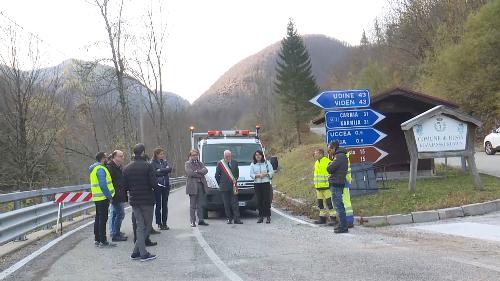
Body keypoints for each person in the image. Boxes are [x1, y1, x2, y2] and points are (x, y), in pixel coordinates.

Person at [123, 143, 157, 262]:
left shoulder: (127, 168)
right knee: (146, 227)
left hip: (134, 200)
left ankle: (135, 252)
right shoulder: (148, 166)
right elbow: (154, 184)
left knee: (139, 226)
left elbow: (125, 186)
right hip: (147, 200)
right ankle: (143, 254)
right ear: (143, 152)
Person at [89, 152, 116, 248]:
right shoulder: (100, 169)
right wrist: (110, 196)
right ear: (102, 158)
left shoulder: (94, 168)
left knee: (98, 218)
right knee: (102, 219)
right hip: (103, 197)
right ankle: (103, 241)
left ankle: (97, 239)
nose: (107, 159)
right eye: (106, 157)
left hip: (97, 197)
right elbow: (103, 185)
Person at [327, 141, 349, 234]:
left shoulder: (339, 156)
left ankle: (343, 227)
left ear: (334, 148)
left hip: (336, 183)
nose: (329, 151)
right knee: (339, 205)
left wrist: (329, 164)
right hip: (339, 182)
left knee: (338, 206)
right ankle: (342, 225)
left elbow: (330, 169)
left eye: (329, 149)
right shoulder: (341, 156)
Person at [215, 150, 243, 225]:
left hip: (233, 186)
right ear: (224, 156)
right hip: (224, 187)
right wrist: (220, 184)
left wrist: (235, 181)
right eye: (226, 156)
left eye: (229, 156)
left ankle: (237, 219)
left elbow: (237, 174)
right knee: (226, 204)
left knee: (235, 203)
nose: (227, 157)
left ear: (231, 155)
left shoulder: (235, 162)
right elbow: (217, 175)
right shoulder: (220, 163)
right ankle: (229, 219)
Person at [107, 150, 128, 242]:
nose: (122, 158)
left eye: (122, 156)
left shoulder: (119, 167)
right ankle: (115, 234)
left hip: (120, 193)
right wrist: (111, 195)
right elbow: (110, 182)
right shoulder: (110, 167)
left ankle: (116, 232)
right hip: (115, 194)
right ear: (114, 157)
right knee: (120, 213)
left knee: (116, 214)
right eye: (120, 156)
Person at [185, 149, 209, 227]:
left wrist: (197, 171)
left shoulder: (200, 163)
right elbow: (190, 173)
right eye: (193, 155)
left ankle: (201, 220)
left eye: (196, 155)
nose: (195, 156)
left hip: (201, 185)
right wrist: (200, 173)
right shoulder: (187, 163)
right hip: (192, 186)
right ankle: (192, 221)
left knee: (200, 204)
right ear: (190, 156)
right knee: (192, 205)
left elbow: (205, 170)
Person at [312, 148, 337, 226]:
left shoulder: (327, 161)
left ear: (320, 154)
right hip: (318, 187)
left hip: (327, 187)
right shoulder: (316, 163)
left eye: (316, 153)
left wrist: (331, 183)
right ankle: (322, 218)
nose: (314, 154)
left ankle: (333, 218)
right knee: (320, 204)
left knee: (330, 203)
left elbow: (332, 173)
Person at [151, 147, 173, 230]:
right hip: (158, 186)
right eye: (161, 154)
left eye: (163, 154)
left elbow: (170, 169)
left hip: (166, 186)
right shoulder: (152, 163)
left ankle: (164, 222)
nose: (162, 155)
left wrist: (161, 170)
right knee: (158, 205)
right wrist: (164, 171)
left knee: (165, 205)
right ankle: (159, 223)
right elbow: (155, 173)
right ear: (156, 155)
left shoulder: (165, 161)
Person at [249, 150, 274, 224]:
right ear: (254, 156)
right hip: (257, 184)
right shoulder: (253, 164)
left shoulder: (266, 163)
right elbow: (251, 174)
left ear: (262, 155)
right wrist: (257, 175)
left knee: (266, 200)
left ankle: (268, 216)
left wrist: (266, 174)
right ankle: (261, 216)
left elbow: (271, 172)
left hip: (265, 183)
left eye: (259, 155)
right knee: (259, 200)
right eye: (256, 155)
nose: (258, 156)